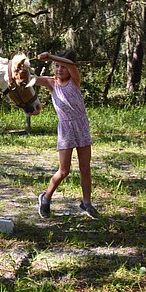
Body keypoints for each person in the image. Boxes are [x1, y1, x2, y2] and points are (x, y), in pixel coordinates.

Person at [34, 49, 99, 219]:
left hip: (82, 126)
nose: (59, 70)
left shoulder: (75, 81)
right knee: (64, 171)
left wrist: (50, 57)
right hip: (66, 129)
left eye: (63, 67)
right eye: (56, 66)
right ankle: (46, 197)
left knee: (85, 168)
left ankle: (86, 203)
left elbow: (72, 65)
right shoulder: (51, 83)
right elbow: (30, 79)